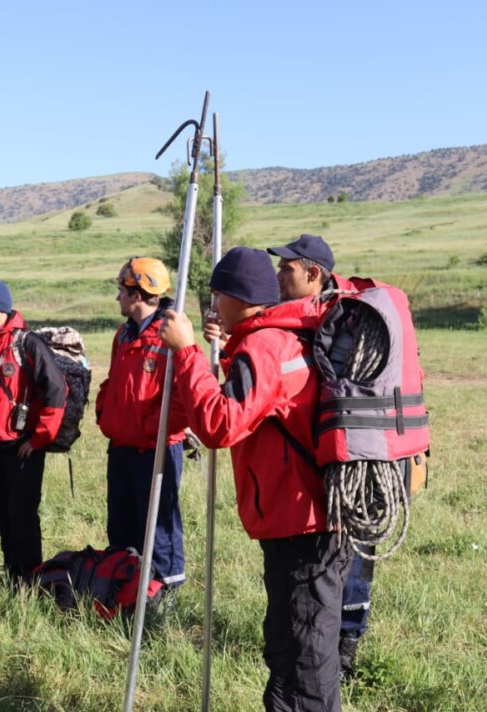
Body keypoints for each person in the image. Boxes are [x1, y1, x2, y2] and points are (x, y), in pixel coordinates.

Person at [160, 247, 350, 712]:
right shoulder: (275, 338)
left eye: (216, 295)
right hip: (299, 518)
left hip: (303, 524)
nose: (211, 306)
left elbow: (221, 424)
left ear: (236, 297)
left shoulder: (266, 346)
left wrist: (187, 351)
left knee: (303, 662)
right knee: (291, 651)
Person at [266, 233, 370, 679]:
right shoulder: (297, 317)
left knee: (348, 554)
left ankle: (344, 644)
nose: (277, 274)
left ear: (312, 273)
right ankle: (328, 652)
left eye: (286, 267)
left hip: (352, 457)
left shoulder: (340, 319)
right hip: (319, 456)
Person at [0, 280, 67, 582]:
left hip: (22, 448)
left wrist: (39, 439)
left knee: (22, 517)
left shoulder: (28, 344)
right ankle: (13, 575)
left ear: (2, 310)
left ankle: (32, 580)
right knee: (1, 512)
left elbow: (56, 391)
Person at [95, 257, 189, 598]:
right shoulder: (123, 334)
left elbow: (186, 395)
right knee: (121, 526)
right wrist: (107, 412)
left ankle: (165, 596)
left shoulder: (171, 332)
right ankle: (124, 590)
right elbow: (114, 381)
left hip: (156, 448)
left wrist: (153, 427)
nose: (118, 297)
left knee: (159, 528)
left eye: (122, 291)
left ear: (138, 294)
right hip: (121, 445)